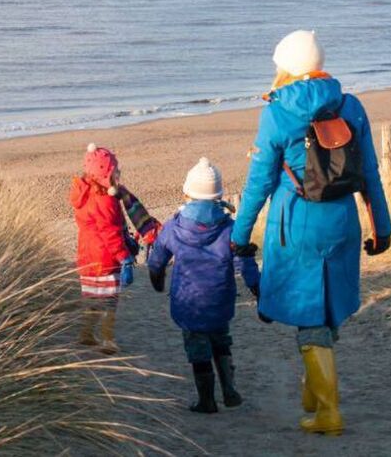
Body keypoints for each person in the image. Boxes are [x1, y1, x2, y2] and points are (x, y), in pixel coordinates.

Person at [231, 30, 391, 437]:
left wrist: (240, 235)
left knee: (309, 316)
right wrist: (383, 228)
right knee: (329, 304)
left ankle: (328, 411)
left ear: (286, 67)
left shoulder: (276, 113)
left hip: (297, 226)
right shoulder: (350, 105)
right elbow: (370, 173)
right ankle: (313, 393)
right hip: (342, 221)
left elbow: (258, 184)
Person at [148, 157, 261, 413]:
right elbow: (244, 262)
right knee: (221, 341)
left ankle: (206, 400)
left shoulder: (175, 226)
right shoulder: (230, 228)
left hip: (189, 302)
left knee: (198, 348)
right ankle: (230, 390)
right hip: (219, 300)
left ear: (187, 193)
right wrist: (257, 288)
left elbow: (157, 258)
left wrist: (157, 279)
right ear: (218, 195)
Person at [68, 143, 160, 354]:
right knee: (109, 302)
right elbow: (110, 234)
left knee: (92, 299)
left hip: (86, 258)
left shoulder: (85, 193)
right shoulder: (105, 200)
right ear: (105, 174)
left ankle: (86, 334)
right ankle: (107, 340)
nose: (118, 174)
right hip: (105, 260)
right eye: (115, 171)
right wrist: (124, 258)